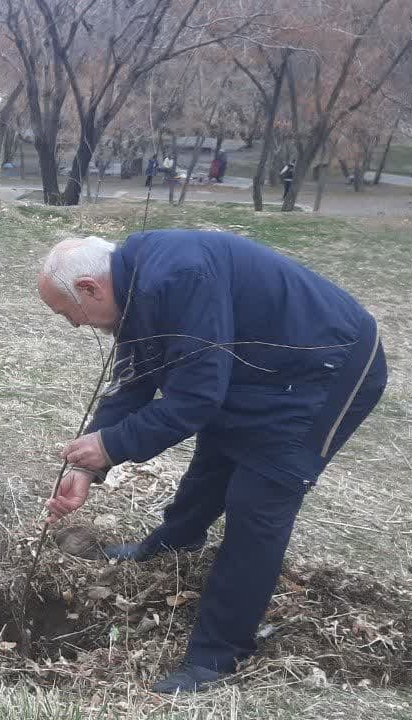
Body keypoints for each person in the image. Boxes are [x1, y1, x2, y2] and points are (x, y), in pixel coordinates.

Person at [38, 231, 387, 694]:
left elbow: (196, 398)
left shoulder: (179, 277)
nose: (75, 326)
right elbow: (134, 382)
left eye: (69, 315)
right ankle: (175, 543)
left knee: (257, 503)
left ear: (89, 288)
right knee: (219, 449)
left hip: (328, 367)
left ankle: (216, 655)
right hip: (258, 366)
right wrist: (88, 464)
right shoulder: (134, 284)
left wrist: (113, 445)